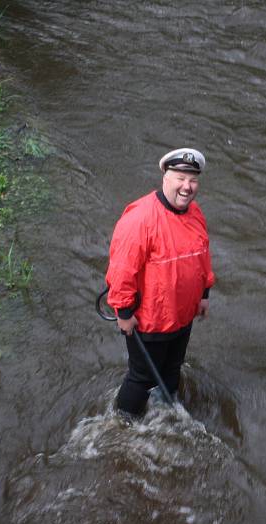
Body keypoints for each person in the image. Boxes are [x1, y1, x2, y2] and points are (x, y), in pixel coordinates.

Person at [106, 147, 215, 418]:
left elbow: (202, 255)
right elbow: (121, 270)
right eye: (180, 178)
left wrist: (204, 294)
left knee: (172, 368)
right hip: (150, 320)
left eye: (192, 180)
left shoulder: (195, 213)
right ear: (165, 176)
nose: (187, 187)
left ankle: (165, 417)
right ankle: (121, 425)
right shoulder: (140, 218)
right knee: (141, 378)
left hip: (182, 316)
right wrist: (124, 312)